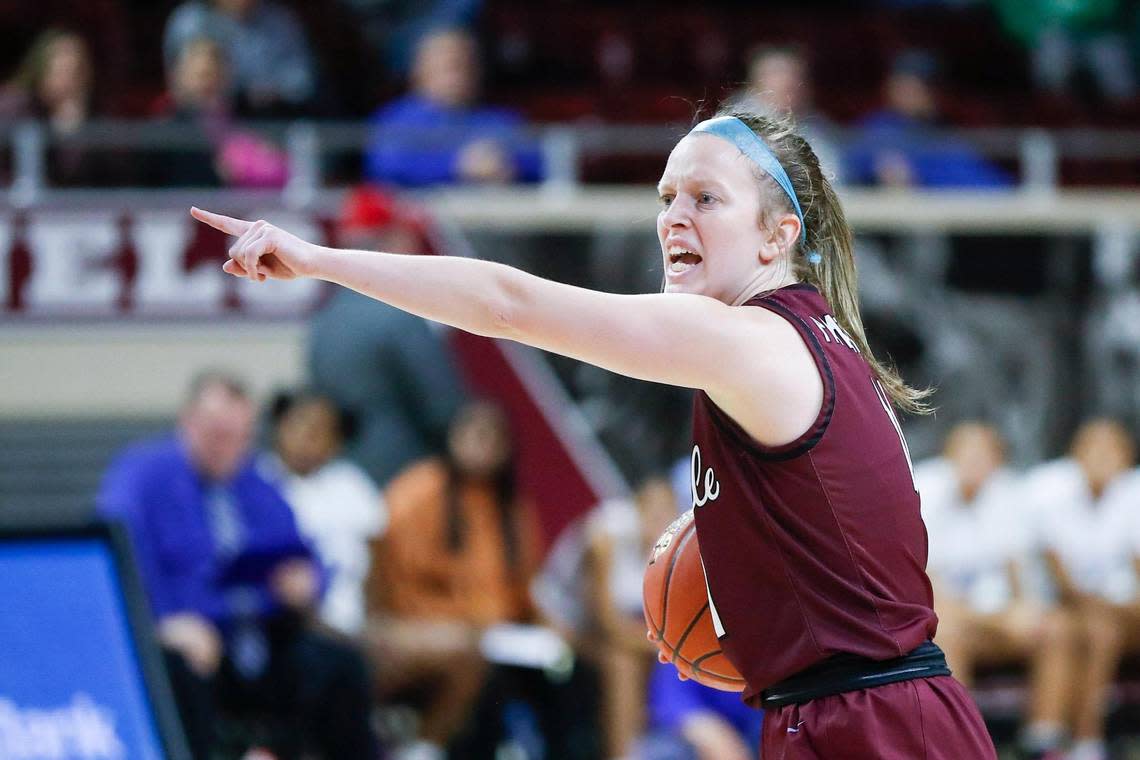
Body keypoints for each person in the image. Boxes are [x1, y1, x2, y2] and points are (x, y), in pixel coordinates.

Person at [190, 100, 997, 757]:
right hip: (838, 713)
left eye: (705, 198)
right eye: (665, 199)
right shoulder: (810, 341)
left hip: (872, 724)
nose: (674, 217)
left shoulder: (753, 339)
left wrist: (320, 260)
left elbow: (509, 303)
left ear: (778, 234)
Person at [96, 371, 375, 760]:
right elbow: (114, 562)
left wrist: (309, 582)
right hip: (183, 635)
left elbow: (306, 554)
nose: (228, 448)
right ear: (188, 422)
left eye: (240, 437)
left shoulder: (255, 482)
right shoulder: (141, 476)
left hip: (256, 632)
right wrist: (162, 625)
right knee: (183, 668)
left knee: (336, 664)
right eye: (217, 435)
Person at [364, 400, 543, 759]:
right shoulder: (417, 492)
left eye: (492, 438)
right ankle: (422, 749)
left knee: (571, 665)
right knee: (465, 651)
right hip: (411, 624)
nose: (481, 445)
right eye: (473, 434)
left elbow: (526, 588)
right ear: (452, 437)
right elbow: (393, 577)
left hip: (494, 633)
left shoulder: (512, 509)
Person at [916, 422, 1076, 759]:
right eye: (968, 453)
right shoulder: (923, 490)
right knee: (949, 631)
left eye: (984, 455)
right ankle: (961, 743)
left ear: (997, 461)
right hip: (944, 620)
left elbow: (1019, 572)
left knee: (1057, 628)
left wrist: (1027, 610)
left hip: (994, 619)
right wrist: (1002, 621)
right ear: (949, 457)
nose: (976, 462)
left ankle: (1043, 742)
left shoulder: (1008, 494)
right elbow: (929, 590)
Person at [308, 187, 467, 487]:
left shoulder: (324, 319)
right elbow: (443, 408)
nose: (414, 247)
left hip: (341, 476)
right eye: (405, 235)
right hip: (407, 474)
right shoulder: (400, 315)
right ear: (387, 240)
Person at [533, 478, 679, 759]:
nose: (660, 520)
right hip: (558, 621)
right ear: (637, 509)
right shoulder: (605, 537)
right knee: (623, 663)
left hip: (611, 628)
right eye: (654, 511)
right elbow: (607, 623)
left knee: (656, 662)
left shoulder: (672, 547)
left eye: (668, 513)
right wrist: (665, 648)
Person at [1024, 419, 1140, 760]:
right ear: (1076, 454)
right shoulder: (1048, 489)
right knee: (1085, 629)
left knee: (1099, 626)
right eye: (1095, 449)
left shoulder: (1133, 493)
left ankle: (1069, 739)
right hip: (1064, 608)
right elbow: (1064, 585)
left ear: (1127, 457)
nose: (1104, 458)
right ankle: (1081, 740)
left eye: (1113, 450)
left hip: (1119, 611)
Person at [262, 388, 385, 638]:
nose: (306, 438)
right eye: (298, 426)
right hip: (293, 624)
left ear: (337, 442)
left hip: (360, 622)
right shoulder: (258, 481)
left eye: (319, 431)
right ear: (279, 428)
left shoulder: (350, 483)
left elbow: (380, 556)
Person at [363, 27, 543, 187]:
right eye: (451, 66)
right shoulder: (396, 118)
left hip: (497, 219)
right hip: (424, 218)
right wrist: (456, 165)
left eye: (468, 65)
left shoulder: (500, 120)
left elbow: (542, 163)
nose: (461, 74)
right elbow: (385, 167)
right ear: (420, 71)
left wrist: (511, 163)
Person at [846, 49, 1011, 188]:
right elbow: (851, 167)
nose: (910, 95)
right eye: (903, 87)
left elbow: (991, 184)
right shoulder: (876, 129)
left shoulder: (945, 135)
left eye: (919, 88)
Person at [163, 0, 317, 117]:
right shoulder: (191, 21)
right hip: (201, 120)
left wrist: (274, 89)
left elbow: (303, 78)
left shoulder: (279, 20)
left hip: (270, 118)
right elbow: (182, 86)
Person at [727, 45, 843, 185]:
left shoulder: (816, 126)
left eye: (795, 76)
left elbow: (836, 178)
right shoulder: (731, 127)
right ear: (756, 83)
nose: (788, 82)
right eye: (776, 74)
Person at [638, 660, 763, 760]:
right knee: (667, 751)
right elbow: (672, 701)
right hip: (692, 736)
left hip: (751, 737)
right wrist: (715, 738)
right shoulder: (688, 639)